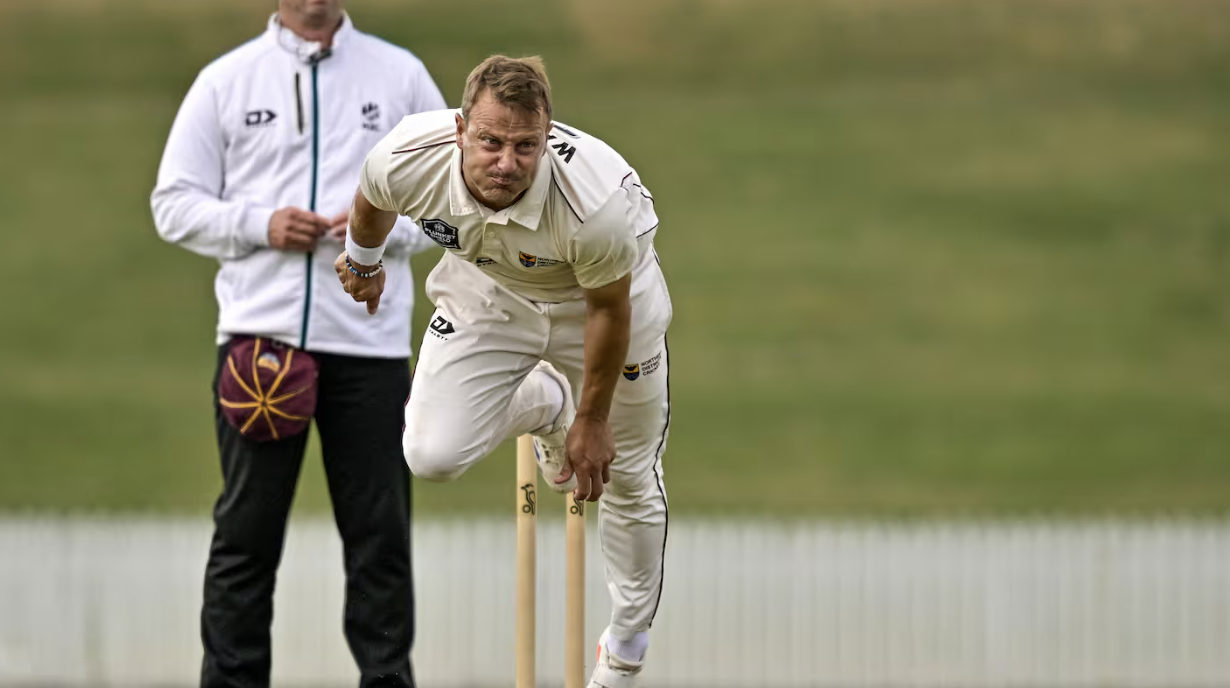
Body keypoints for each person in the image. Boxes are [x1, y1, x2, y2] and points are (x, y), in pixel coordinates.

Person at [335, 55, 672, 688]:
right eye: (490, 142)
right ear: (461, 129)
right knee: (430, 455)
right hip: (489, 291)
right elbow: (373, 197)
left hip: (600, 307)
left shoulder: (592, 204)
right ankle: (546, 403)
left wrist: (593, 418)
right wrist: (363, 260)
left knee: (624, 472)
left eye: (525, 146)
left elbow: (608, 311)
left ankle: (625, 648)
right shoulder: (409, 154)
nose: (507, 163)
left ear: (546, 137)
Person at [149, 1, 446, 686]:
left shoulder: (400, 76)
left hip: (369, 343)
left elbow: (450, 201)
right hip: (262, 346)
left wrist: (375, 232)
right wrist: (260, 224)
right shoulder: (226, 80)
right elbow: (173, 202)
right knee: (245, 539)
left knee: (380, 539)